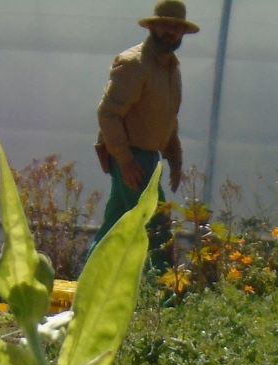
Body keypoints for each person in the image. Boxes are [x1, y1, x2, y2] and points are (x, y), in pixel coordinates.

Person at [88, 0, 199, 267]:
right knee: (156, 225)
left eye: (177, 28)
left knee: (114, 227)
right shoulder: (134, 64)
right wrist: (125, 161)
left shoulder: (171, 67)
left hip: (149, 157)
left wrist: (175, 157)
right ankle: (164, 297)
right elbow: (108, 114)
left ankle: (86, 283)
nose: (171, 32)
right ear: (153, 26)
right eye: (165, 25)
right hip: (132, 157)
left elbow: (167, 116)